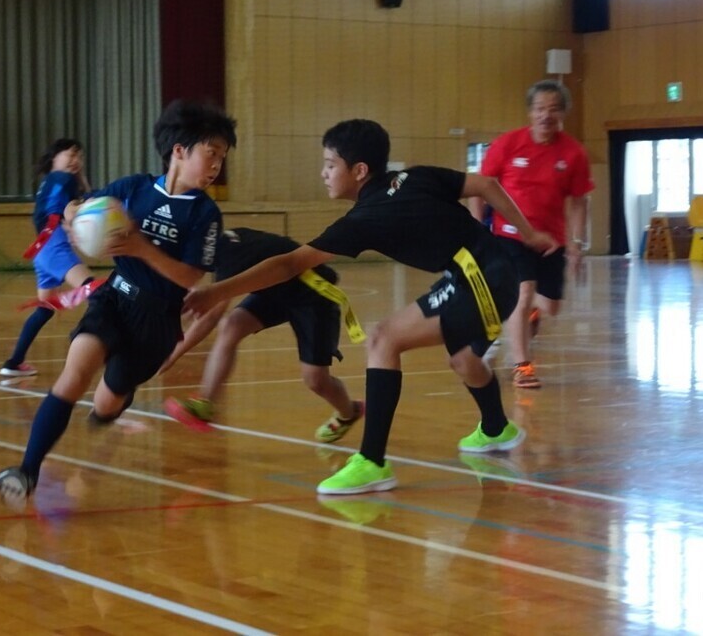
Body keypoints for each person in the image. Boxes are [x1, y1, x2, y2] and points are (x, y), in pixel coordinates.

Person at [184, 119, 559, 496]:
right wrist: (528, 235)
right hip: (488, 271)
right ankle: (496, 428)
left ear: (359, 170)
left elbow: (289, 264)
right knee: (463, 359)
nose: (324, 173)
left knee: (383, 338)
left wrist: (217, 292)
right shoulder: (415, 177)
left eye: (331, 164)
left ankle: (372, 461)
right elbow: (487, 184)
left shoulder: (367, 218)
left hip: (481, 279)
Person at [0, 101, 237, 508]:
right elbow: (76, 207)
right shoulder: (132, 189)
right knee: (74, 375)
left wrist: (141, 247)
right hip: (114, 299)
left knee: (106, 403)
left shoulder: (205, 213)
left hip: (157, 321)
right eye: (210, 153)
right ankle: (26, 471)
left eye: (222, 157)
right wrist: (75, 216)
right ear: (179, 151)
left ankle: (111, 410)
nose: (216, 165)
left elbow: (189, 277)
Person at [161, 227, 363, 442]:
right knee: (231, 326)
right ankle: (205, 404)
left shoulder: (230, 256)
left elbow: (209, 318)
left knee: (316, 380)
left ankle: (349, 413)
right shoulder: (221, 244)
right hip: (276, 290)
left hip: (312, 294)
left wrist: (170, 356)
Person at [468, 80, 593, 389]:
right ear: (530, 112)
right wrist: (476, 228)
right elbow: (479, 188)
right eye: (540, 109)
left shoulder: (574, 153)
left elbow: (579, 202)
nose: (545, 115)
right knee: (522, 293)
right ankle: (522, 366)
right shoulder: (507, 144)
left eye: (553, 109)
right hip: (510, 235)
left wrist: (577, 244)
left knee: (550, 306)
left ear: (563, 113)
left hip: (551, 239)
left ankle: (528, 313)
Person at [0, 138, 95, 378]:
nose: (76, 160)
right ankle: (87, 347)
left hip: (41, 250)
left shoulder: (51, 180)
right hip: (54, 247)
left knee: (46, 308)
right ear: (54, 157)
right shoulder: (64, 179)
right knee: (97, 292)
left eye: (79, 156)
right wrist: (70, 224)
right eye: (70, 155)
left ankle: (14, 362)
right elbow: (65, 209)